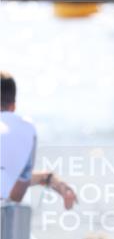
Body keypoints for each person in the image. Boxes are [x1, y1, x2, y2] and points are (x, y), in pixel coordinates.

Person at [1, 71, 77, 206]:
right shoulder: (27, 129)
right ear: (13, 106)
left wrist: (46, 178)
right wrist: (48, 178)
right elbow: (16, 194)